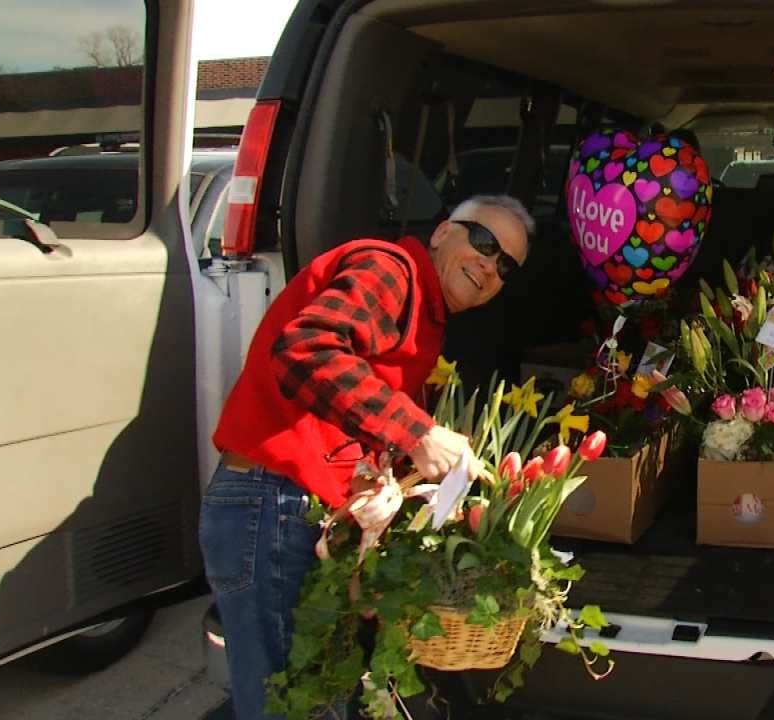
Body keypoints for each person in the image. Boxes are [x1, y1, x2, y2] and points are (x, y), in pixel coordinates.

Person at [199, 194, 533, 719]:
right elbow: (306, 348)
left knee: (319, 701)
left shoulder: (426, 314)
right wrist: (417, 433)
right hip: (274, 508)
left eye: (506, 265)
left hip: (298, 515)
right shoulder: (392, 270)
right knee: (288, 708)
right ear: (444, 231)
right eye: (484, 242)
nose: (490, 265)